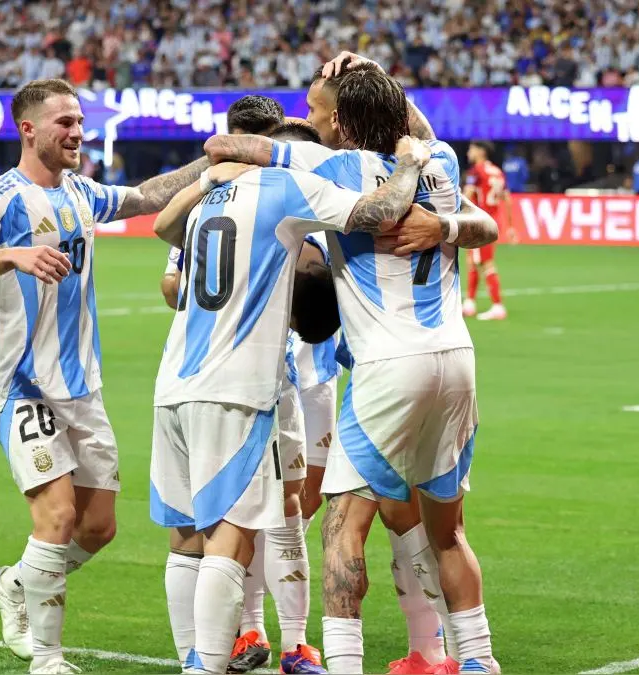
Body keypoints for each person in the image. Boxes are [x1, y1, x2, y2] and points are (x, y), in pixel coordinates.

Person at [206, 58, 501, 675]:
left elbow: (222, 143)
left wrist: (260, 143)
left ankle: (343, 665)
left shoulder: (331, 168)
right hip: (456, 361)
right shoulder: (439, 161)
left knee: (341, 528)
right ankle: (476, 661)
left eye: (314, 112)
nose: (308, 123)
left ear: (339, 121)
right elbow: (412, 129)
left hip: (388, 367)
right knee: (446, 531)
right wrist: (372, 72)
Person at [0, 78, 215, 675]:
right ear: (29, 130)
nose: (76, 132)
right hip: (22, 385)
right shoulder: (3, 197)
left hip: (82, 387)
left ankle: (14, 582)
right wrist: (15, 255)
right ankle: (47, 657)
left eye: (78, 121)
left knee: (97, 527)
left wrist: (215, 160)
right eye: (64, 123)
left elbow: (146, 196)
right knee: (58, 517)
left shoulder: (79, 191)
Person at [150, 122, 435, 675]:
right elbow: (381, 213)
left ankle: (190, 654)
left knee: (186, 535)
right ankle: (203, 666)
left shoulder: (215, 190)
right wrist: (409, 163)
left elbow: (163, 224)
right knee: (230, 541)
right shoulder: (287, 187)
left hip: (173, 383)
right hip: (236, 388)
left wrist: (210, 174)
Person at [463, 142, 509, 321]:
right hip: (493, 221)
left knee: (485, 263)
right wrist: (511, 226)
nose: (469, 152)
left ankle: (497, 306)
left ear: (480, 151)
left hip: (479, 221)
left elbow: (467, 196)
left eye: (471, 149)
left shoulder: (476, 171)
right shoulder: (497, 171)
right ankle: (470, 303)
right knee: (474, 261)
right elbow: (507, 198)